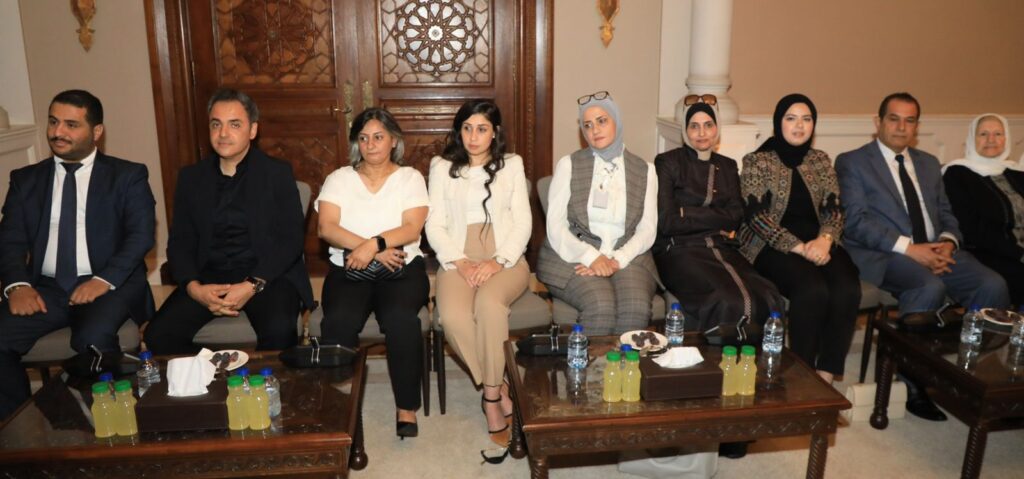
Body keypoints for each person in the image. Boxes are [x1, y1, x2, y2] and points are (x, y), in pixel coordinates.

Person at [835, 92, 1009, 421]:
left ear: (917, 126)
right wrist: (910, 249)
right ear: (878, 122)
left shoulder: (928, 164)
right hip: (884, 253)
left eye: (909, 120)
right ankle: (912, 382)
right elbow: (856, 222)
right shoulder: (853, 162)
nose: (901, 127)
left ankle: (971, 374)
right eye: (894, 119)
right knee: (928, 286)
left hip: (936, 249)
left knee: (992, 285)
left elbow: (947, 215)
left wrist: (947, 243)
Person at [0, 90, 155, 420]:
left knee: (92, 339)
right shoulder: (26, 180)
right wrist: (17, 285)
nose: (58, 132)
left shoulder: (127, 176)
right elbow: (9, 240)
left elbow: (141, 237)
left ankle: (112, 421)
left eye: (71, 125)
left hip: (110, 283)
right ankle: (19, 427)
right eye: (53, 122)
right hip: (47, 288)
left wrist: (103, 279)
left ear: (96, 131)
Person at [145, 89, 313, 355]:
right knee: (158, 335)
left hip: (266, 275)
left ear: (252, 130)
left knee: (279, 329)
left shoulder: (277, 173)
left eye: (234, 124)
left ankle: (264, 380)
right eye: (216, 124)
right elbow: (180, 242)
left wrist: (251, 285)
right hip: (209, 275)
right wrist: (194, 288)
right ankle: (213, 376)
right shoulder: (191, 178)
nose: (223, 133)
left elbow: (290, 240)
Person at [317, 107, 430, 439]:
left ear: (393, 140)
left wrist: (374, 244)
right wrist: (370, 249)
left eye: (378, 137)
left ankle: (406, 407)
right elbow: (326, 227)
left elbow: (411, 228)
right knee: (339, 321)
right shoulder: (339, 178)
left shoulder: (410, 178)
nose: (371, 144)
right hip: (350, 268)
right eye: (364, 138)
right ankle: (341, 403)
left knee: (401, 320)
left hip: (401, 267)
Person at [425, 100, 531, 446]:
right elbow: (434, 224)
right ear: (459, 132)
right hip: (458, 255)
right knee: (452, 318)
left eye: (482, 129)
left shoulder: (512, 164)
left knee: (488, 305)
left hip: (505, 257)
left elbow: (523, 222)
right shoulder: (441, 167)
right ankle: (500, 384)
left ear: (494, 132)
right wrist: (460, 261)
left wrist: (498, 261)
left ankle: (490, 399)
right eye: (467, 128)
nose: (473, 137)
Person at [739, 94, 861, 384]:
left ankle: (826, 375)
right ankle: (802, 374)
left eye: (807, 119)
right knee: (812, 289)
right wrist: (798, 247)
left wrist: (825, 239)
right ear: (778, 123)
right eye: (791, 118)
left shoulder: (820, 160)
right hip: (770, 244)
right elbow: (756, 216)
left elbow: (834, 208)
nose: (799, 126)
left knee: (847, 288)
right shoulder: (757, 161)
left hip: (819, 241)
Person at [653, 95, 782, 345]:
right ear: (685, 130)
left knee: (767, 294)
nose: (702, 133)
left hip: (722, 248)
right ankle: (714, 361)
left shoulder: (728, 166)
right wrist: (716, 217)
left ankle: (755, 362)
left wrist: (687, 212)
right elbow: (668, 222)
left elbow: (735, 217)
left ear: (717, 128)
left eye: (708, 125)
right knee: (727, 299)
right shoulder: (668, 163)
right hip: (680, 251)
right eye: (694, 126)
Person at [537, 91, 659, 335]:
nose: (595, 130)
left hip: (628, 254)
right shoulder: (569, 165)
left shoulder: (646, 170)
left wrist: (617, 260)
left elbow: (647, 229)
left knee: (634, 307)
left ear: (617, 121)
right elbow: (555, 226)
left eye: (602, 121)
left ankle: (625, 362)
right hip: (573, 253)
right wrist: (591, 257)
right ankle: (590, 362)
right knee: (601, 306)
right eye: (588, 125)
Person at [942, 114, 1024, 306]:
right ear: (972, 138)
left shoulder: (1016, 173)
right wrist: (1019, 253)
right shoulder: (957, 173)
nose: (991, 140)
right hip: (987, 252)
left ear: (1006, 138)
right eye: (983, 134)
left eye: (998, 134)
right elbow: (970, 228)